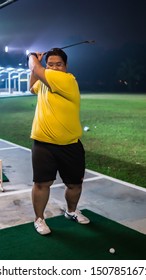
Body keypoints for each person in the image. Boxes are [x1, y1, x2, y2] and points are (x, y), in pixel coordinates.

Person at [27, 48, 90, 235]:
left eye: (58, 64)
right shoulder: (45, 81)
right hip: (43, 143)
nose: (54, 67)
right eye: (50, 64)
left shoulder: (67, 80)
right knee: (41, 184)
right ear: (47, 66)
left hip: (70, 143)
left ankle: (71, 212)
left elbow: (36, 69)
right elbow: (32, 88)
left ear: (66, 66)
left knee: (75, 185)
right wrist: (35, 69)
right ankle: (39, 219)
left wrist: (31, 57)